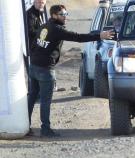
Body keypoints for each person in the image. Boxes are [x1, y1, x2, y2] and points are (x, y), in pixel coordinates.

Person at [28, 4, 115, 137]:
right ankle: (45, 129)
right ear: (54, 15)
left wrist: (35, 59)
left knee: (32, 97)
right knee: (45, 101)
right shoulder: (56, 29)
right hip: (45, 70)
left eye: (66, 14)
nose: (65, 17)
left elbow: (34, 44)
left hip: (34, 67)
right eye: (62, 14)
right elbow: (78, 37)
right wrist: (100, 36)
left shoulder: (44, 26)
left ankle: (25, 126)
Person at [25, 0, 47, 136]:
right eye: (39, 1)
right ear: (34, 2)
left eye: (43, 1)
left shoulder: (43, 13)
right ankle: (28, 124)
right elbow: (31, 32)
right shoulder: (30, 15)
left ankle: (29, 124)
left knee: (34, 93)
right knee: (35, 94)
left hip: (41, 55)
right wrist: (46, 32)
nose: (41, 3)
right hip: (34, 56)